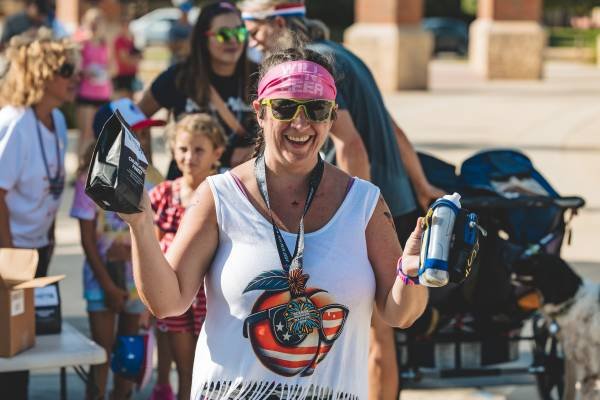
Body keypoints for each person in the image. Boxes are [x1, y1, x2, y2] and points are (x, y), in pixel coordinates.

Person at [119, 47, 428, 400]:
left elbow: (400, 314)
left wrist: (413, 273)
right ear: (260, 113)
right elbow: (168, 302)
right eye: (284, 107)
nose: (301, 123)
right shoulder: (220, 196)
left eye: (316, 109)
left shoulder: (364, 203)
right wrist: (140, 225)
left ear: (331, 117)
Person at [238, 2, 446, 398]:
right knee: (376, 333)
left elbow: (351, 144)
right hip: (394, 199)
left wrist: (353, 216)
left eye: (254, 30)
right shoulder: (343, 54)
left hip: (371, 208)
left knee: (375, 334)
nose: (253, 42)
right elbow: (393, 128)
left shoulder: (315, 67)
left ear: (278, 23)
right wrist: (420, 185)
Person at [0, 29, 78, 400]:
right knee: (8, 350)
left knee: (26, 344)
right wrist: (8, 256)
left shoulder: (57, 120)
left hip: (37, 250)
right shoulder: (14, 123)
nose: (75, 77)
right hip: (10, 255)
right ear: (41, 74)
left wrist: (45, 242)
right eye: (66, 70)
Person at [70, 98, 165, 400]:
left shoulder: (154, 179)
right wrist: (109, 285)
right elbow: (87, 240)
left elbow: (161, 233)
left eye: (145, 133)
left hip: (139, 286)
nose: (142, 140)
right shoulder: (87, 181)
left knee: (128, 356)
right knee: (100, 353)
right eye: (134, 133)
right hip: (100, 282)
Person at [149, 113, 226, 400]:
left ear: (217, 153)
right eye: (182, 149)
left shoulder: (225, 194)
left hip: (213, 299)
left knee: (213, 373)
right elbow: (153, 250)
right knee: (185, 371)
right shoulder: (163, 194)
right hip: (175, 295)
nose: (189, 157)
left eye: (198, 150)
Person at [138, 1, 257, 177]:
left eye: (239, 33)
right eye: (223, 34)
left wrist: (256, 149)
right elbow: (134, 118)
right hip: (186, 186)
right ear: (203, 37)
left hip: (241, 186)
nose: (233, 40)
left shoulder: (260, 77)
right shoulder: (180, 77)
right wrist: (147, 167)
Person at [74, 7, 113, 161]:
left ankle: (95, 167)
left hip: (103, 93)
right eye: (93, 21)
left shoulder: (105, 44)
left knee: (101, 134)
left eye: (98, 21)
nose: (95, 24)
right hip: (86, 93)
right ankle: (80, 166)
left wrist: (105, 73)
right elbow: (76, 67)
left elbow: (112, 66)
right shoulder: (82, 42)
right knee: (85, 133)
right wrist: (87, 72)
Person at [113, 13, 142, 99]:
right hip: (123, 74)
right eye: (124, 23)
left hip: (132, 73)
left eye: (128, 23)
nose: (127, 26)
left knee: (131, 99)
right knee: (123, 100)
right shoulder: (119, 40)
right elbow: (125, 60)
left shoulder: (131, 38)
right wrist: (135, 59)